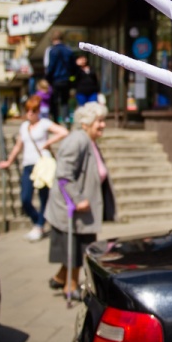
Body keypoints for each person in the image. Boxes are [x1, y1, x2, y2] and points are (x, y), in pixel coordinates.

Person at [44, 101, 115, 300]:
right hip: (75, 208)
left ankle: (60, 278)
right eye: (99, 121)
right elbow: (64, 175)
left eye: (103, 120)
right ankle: (70, 286)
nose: (103, 125)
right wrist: (78, 199)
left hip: (84, 208)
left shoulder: (88, 140)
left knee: (79, 247)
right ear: (85, 123)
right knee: (76, 248)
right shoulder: (78, 141)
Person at [0, 95, 69, 242]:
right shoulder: (24, 126)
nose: (30, 113)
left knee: (44, 197)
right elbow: (18, 146)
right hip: (28, 165)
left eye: (33, 110)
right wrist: (9, 161)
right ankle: (39, 221)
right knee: (25, 198)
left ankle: (39, 226)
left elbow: (63, 131)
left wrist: (48, 142)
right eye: (28, 110)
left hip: (42, 164)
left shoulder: (44, 123)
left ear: (38, 111)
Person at [45, 33, 74, 125]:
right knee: (65, 101)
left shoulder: (52, 51)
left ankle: (56, 121)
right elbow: (72, 66)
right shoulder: (68, 50)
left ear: (53, 39)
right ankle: (66, 120)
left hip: (55, 80)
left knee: (55, 101)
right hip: (66, 80)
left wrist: (48, 79)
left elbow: (51, 67)